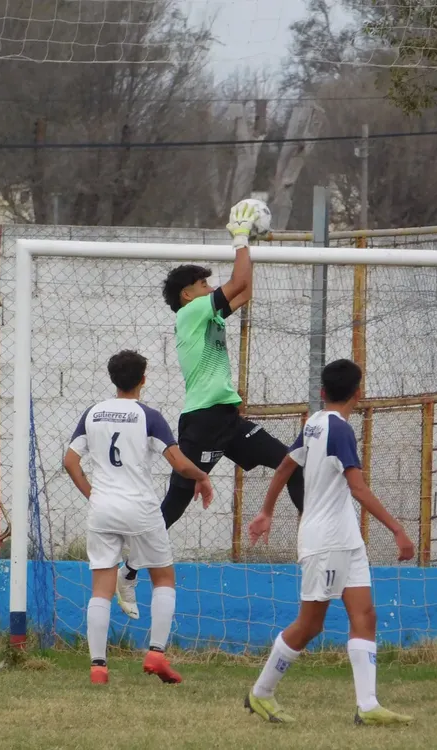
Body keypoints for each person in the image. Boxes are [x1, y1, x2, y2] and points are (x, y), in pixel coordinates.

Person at [115, 200, 305, 619]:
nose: (208, 288)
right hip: (202, 421)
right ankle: (128, 568)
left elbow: (245, 288)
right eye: (203, 284)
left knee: (292, 462)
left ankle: (313, 540)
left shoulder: (208, 315)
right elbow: (238, 281)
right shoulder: (192, 312)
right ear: (188, 294)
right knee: (176, 503)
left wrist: (249, 244)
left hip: (228, 420)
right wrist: (239, 238)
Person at [245, 358, 415, 726]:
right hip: (327, 541)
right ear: (359, 393)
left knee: (365, 615)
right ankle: (261, 693)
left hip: (345, 539)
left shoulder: (314, 423)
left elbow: (286, 466)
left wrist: (267, 510)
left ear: (322, 392)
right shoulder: (337, 429)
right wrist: (397, 529)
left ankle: (367, 705)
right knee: (310, 625)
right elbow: (358, 488)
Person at [64, 350, 213, 685]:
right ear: (143, 379)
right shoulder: (149, 416)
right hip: (141, 509)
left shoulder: (93, 413)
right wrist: (202, 476)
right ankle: (156, 653)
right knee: (163, 579)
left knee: (100, 589)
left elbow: (70, 462)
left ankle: (98, 667)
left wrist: (93, 494)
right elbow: (178, 462)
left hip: (103, 509)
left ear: (113, 378)